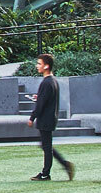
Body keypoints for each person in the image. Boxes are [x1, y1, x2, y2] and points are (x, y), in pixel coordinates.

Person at [29, 53, 73, 182]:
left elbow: (41, 104)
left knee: (46, 147)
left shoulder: (46, 82)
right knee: (46, 146)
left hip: (46, 119)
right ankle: (58, 167)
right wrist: (39, 98)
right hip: (50, 118)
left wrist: (32, 117)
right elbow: (46, 99)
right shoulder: (52, 81)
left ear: (46, 66)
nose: (37, 66)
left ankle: (46, 173)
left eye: (39, 64)